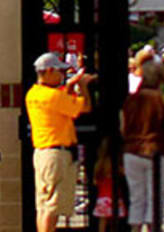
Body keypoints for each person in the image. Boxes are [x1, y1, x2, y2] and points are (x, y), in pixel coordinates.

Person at [27, 52, 94, 232]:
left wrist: (70, 86)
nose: (62, 76)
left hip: (42, 153)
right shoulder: (52, 96)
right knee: (53, 206)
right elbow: (84, 107)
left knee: (43, 205)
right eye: (60, 72)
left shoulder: (34, 94)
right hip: (56, 155)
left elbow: (62, 104)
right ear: (48, 71)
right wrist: (83, 86)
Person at [122, 61, 164, 232]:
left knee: (136, 197)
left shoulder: (130, 100)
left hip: (131, 151)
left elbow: (122, 128)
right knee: (155, 198)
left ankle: (135, 229)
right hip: (157, 151)